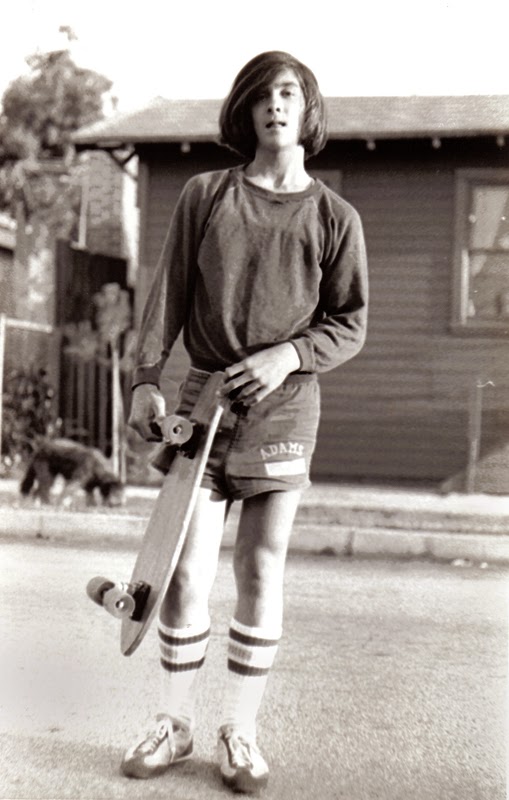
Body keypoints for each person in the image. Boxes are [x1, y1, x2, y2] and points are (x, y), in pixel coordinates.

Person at [124, 50, 368, 794]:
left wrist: (288, 355)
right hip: (200, 401)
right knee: (186, 570)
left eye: (288, 92)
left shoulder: (333, 216)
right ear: (244, 111)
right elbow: (166, 294)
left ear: (307, 108)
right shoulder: (206, 194)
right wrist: (143, 380)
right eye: (261, 94)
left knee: (258, 567)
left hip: (284, 406)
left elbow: (349, 322)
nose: (275, 105)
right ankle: (173, 722)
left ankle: (240, 729)